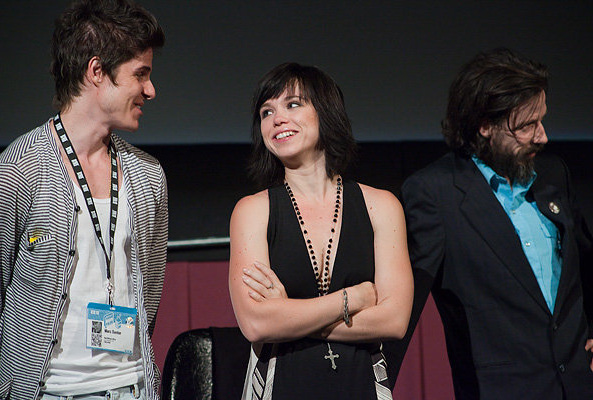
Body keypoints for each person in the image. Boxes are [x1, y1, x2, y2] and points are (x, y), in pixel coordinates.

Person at [389, 48, 593, 399]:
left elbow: (587, 262)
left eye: (541, 120)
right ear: (485, 126)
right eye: (527, 125)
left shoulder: (552, 174)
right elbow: (403, 306)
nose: (542, 136)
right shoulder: (435, 193)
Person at [0, 1, 167, 399]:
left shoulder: (147, 176)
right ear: (96, 72)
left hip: (133, 389)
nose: (151, 90)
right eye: (140, 74)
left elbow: (150, 296)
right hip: (46, 391)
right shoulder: (16, 172)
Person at [229, 62, 413, 399]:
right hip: (279, 384)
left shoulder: (381, 206)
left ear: (326, 112)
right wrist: (351, 299)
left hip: (362, 383)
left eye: (293, 104)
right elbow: (257, 325)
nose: (277, 119)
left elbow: (395, 320)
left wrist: (289, 316)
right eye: (266, 111)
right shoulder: (252, 210)